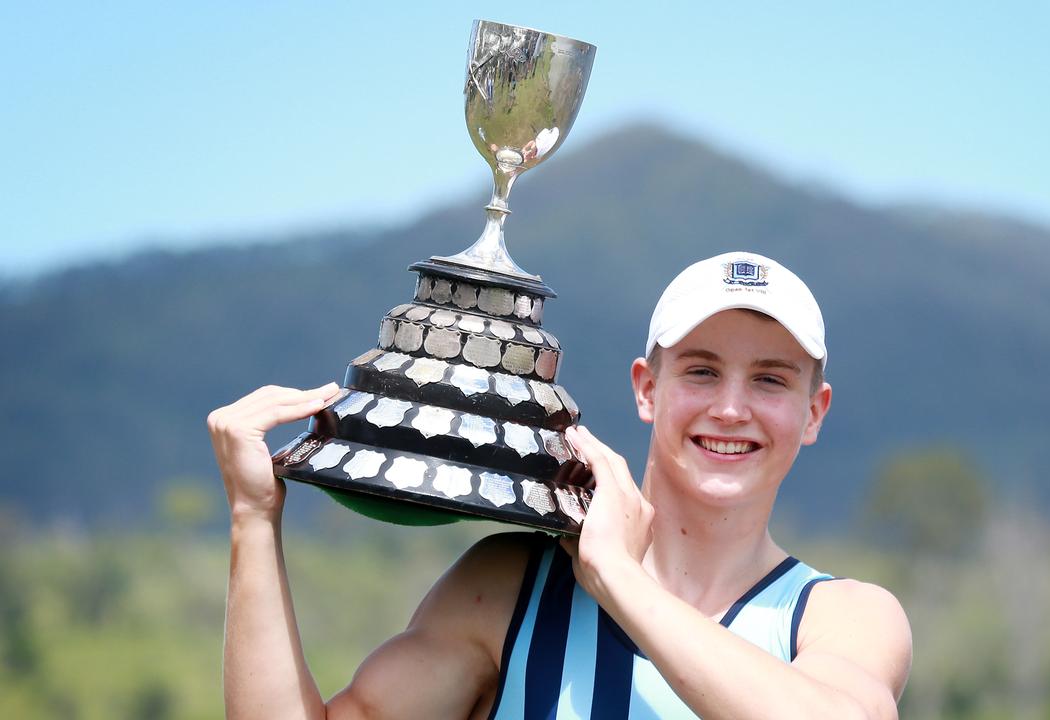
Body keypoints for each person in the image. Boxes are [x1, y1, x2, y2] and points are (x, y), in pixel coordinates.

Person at [208, 251, 912, 719]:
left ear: (813, 412)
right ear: (647, 390)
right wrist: (252, 518)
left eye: (770, 380)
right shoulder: (515, 587)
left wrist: (620, 582)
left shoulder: (841, 616)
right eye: (700, 370)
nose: (731, 408)